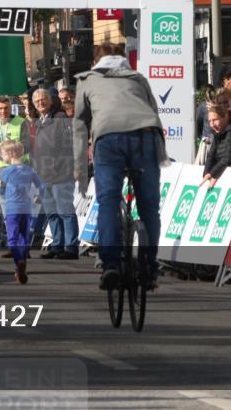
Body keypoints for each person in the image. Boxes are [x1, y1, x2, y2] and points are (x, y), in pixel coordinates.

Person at [73, 43, 165, 291]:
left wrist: (80, 166)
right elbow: (154, 111)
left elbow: (80, 125)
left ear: (95, 60)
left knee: (108, 202)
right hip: (146, 136)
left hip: (109, 138)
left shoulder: (87, 79)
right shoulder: (137, 77)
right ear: (123, 59)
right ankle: (149, 265)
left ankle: (111, 265)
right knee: (149, 206)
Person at [30, 88, 78, 260]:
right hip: (44, 176)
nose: (40, 103)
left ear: (51, 101)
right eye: (37, 101)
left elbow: (70, 144)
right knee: (52, 214)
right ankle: (57, 245)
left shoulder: (60, 118)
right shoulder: (39, 122)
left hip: (61, 174)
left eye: (43, 99)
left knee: (65, 211)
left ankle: (71, 247)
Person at [0, 140, 43, 284]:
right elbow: (42, 186)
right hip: (26, 208)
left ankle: (19, 263)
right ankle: (21, 265)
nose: (1, 156)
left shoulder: (6, 171)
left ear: (11, 154)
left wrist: (2, 191)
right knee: (24, 238)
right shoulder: (30, 170)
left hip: (12, 209)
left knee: (12, 239)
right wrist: (39, 197)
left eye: (3, 153)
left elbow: (1, 190)